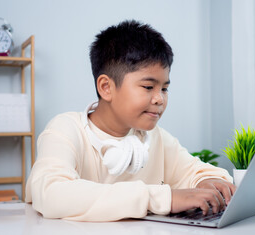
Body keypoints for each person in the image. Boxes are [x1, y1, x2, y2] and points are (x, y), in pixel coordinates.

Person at [25, 20, 236, 222]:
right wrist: (164, 198)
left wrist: (208, 182)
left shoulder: (155, 137)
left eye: (164, 88)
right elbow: (52, 193)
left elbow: (200, 172)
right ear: (106, 87)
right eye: (148, 87)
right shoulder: (65, 129)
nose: (159, 98)